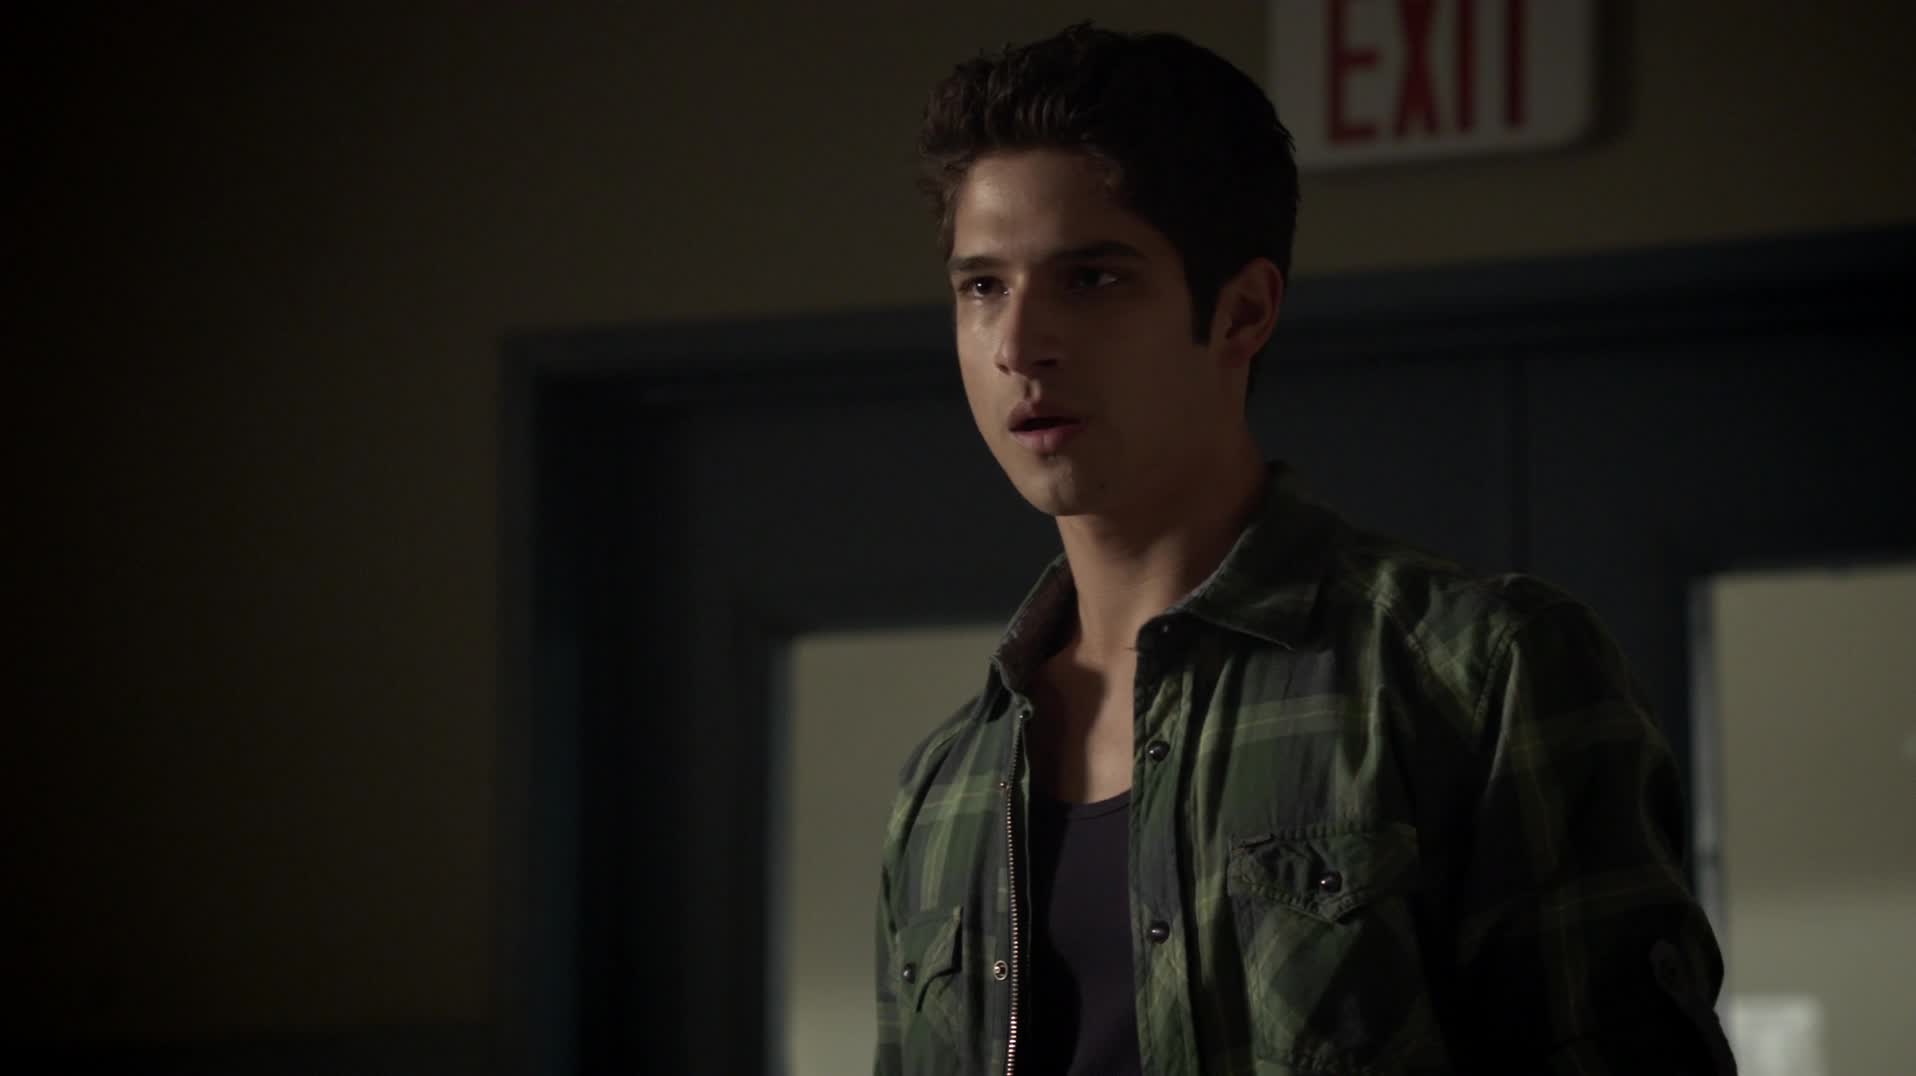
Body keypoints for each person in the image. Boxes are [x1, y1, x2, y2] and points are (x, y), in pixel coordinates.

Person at [872, 22, 1736, 1076]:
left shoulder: (1476, 676)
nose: (1017, 344)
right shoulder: (946, 785)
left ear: (1241, 312)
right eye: (981, 287)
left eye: (1089, 278)